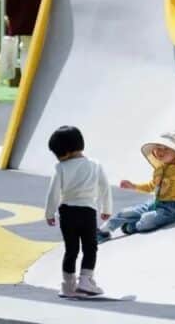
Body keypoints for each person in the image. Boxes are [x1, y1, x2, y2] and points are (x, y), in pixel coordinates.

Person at [45, 125, 112, 297]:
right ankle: (85, 280)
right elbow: (105, 188)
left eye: (58, 153)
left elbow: (53, 192)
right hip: (87, 212)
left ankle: (68, 285)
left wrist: (49, 213)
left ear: (66, 151)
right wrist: (106, 208)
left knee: (71, 249)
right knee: (90, 247)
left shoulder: (60, 168)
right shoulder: (95, 165)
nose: (58, 158)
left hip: (67, 212)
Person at [98, 131, 175, 241]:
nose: (161, 151)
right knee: (126, 212)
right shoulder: (159, 170)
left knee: (147, 219)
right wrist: (133, 186)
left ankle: (133, 226)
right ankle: (104, 231)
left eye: (166, 148)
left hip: (170, 208)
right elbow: (151, 186)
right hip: (154, 203)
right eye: (159, 147)